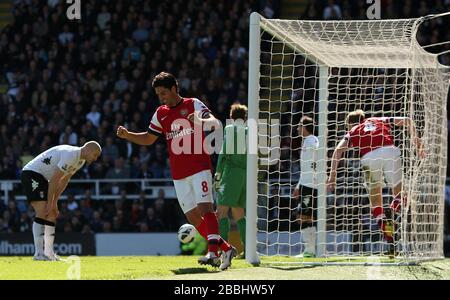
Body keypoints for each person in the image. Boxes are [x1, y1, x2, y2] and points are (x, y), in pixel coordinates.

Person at [116, 72, 236, 270]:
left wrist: (200, 122)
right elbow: (148, 138)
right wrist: (129, 135)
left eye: (163, 92)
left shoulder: (193, 104)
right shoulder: (160, 113)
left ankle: (213, 253)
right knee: (192, 216)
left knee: (206, 209)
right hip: (179, 173)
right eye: (158, 94)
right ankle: (226, 248)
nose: (161, 97)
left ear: (174, 89)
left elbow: (214, 123)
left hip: (199, 166)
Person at [326, 110, 425, 243]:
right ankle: (395, 208)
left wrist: (332, 177)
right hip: (390, 151)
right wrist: (417, 143)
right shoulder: (379, 120)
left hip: (369, 158)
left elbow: (337, 151)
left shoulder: (354, 130)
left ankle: (388, 234)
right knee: (399, 194)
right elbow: (408, 120)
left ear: (350, 124)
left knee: (376, 201)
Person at [21, 141, 102, 261]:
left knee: (52, 214)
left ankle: (48, 253)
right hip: (32, 173)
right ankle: (38, 254)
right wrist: (51, 203)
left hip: (44, 178)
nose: (95, 159)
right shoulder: (70, 155)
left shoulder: (80, 161)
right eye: (95, 155)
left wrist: (54, 203)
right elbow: (54, 180)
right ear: (89, 150)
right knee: (43, 211)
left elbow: (64, 181)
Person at [214, 103, 247, 258]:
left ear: (232, 117)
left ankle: (223, 250)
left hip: (231, 173)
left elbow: (223, 155)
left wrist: (218, 176)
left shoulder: (230, 129)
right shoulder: (249, 131)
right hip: (245, 175)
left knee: (221, 212)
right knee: (238, 212)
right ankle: (248, 250)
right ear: (245, 117)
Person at [292, 116, 319, 258]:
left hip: (311, 185)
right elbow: (305, 168)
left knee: (303, 216)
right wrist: (298, 186)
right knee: (305, 216)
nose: (297, 128)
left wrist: (319, 174)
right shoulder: (306, 141)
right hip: (305, 184)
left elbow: (319, 151)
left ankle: (310, 250)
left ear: (305, 127)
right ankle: (311, 250)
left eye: (299, 125)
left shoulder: (313, 140)